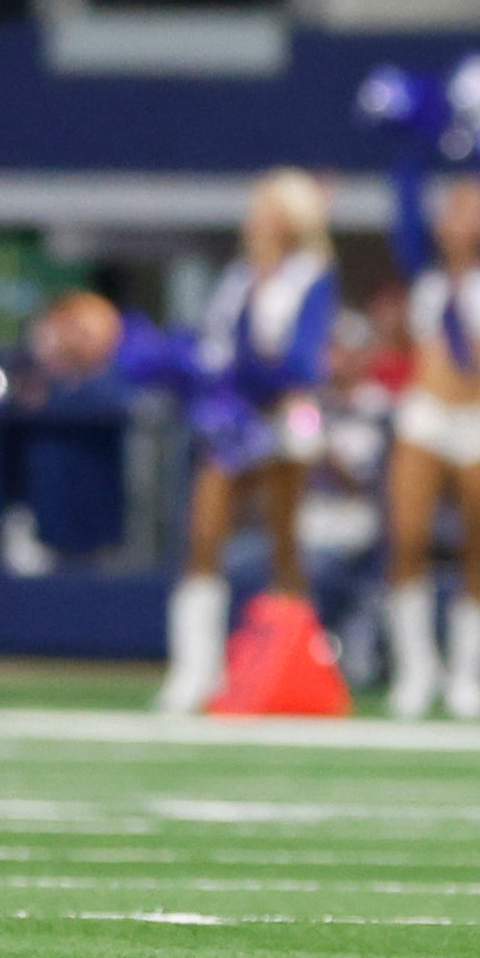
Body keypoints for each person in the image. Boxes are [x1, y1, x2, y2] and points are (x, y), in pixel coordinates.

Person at [155, 169, 338, 715]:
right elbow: (215, 349)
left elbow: (301, 359)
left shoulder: (311, 276)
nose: (255, 222)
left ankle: (292, 663)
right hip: (237, 419)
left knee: (285, 542)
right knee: (204, 532)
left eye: (267, 212)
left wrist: (252, 371)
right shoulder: (237, 279)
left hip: (288, 415)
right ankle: (195, 670)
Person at [380, 83, 480, 722]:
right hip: (427, 414)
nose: (465, 218)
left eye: (479, 209)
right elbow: (405, 201)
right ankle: (416, 670)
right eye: (455, 208)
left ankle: (467, 676)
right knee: (408, 536)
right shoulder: (423, 269)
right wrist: (410, 137)